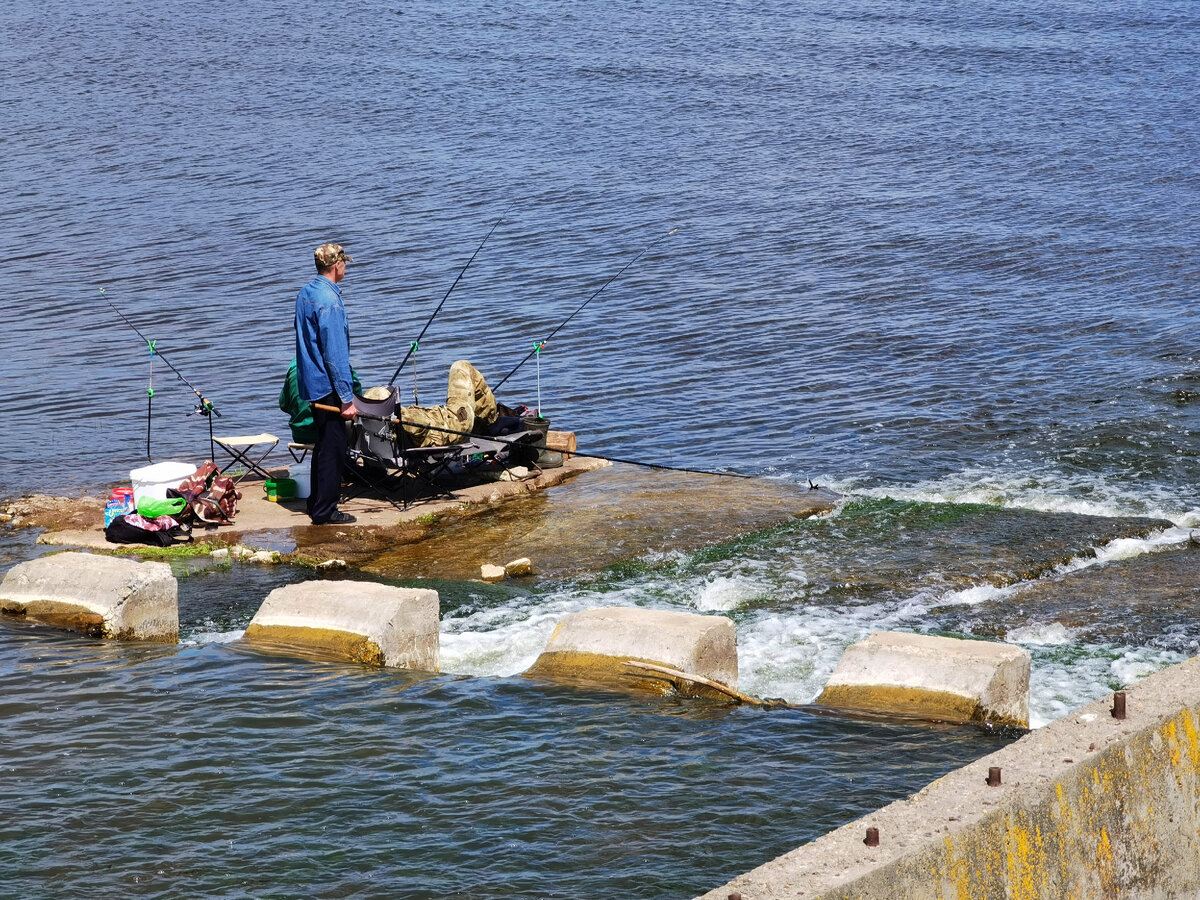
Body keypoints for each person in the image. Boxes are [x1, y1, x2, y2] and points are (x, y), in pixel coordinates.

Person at [294, 242, 359, 525]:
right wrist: (346, 398)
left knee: (322, 444)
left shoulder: (306, 293)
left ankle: (315, 503)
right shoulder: (330, 302)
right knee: (333, 448)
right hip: (328, 386)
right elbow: (334, 355)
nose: (346, 267)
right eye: (345, 263)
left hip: (310, 382)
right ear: (336, 266)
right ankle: (325, 511)